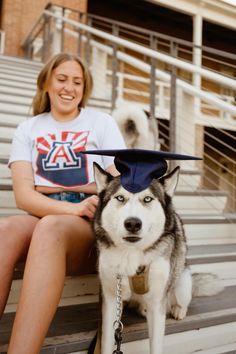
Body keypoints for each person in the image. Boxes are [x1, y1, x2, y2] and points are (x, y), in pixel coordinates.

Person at [0, 52, 126, 354]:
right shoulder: (28, 129)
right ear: (46, 82)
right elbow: (23, 196)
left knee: (51, 227)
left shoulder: (101, 122)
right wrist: (76, 201)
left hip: (87, 226)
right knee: (4, 228)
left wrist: (53, 192)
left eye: (77, 82)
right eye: (62, 79)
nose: (69, 87)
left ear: (85, 89)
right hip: (58, 213)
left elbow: (119, 180)